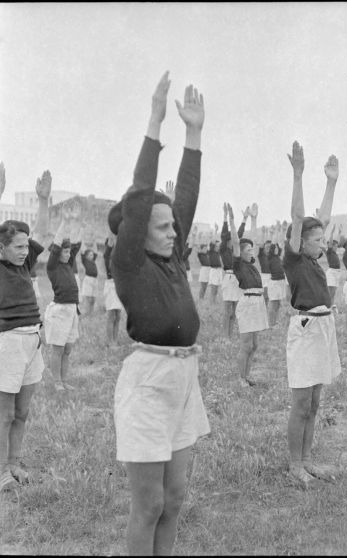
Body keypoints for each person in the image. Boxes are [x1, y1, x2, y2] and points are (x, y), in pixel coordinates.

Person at [109, 74, 210, 556]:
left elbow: (183, 196)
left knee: (174, 500)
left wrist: (194, 135)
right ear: (136, 231)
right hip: (148, 381)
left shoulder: (171, 256)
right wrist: (155, 121)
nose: (174, 232)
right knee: (148, 504)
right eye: (163, 226)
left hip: (184, 377)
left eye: (174, 227)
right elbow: (141, 190)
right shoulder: (128, 263)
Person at [283, 141, 341, 487]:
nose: (323, 243)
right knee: (301, 401)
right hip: (305, 328)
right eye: (317, 239)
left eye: (323, 238)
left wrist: (332, 183)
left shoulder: (316, 261)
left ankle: (307, 459)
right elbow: (297, 217)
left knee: (316, 401)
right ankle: (294, 463)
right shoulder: (293, 258)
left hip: (324, 327)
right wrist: (299, 175)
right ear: (301, 241)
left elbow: (326, 218)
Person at [0, 165, 50, 491]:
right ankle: (0, 472)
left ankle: (14, 464)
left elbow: (42, 235)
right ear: (0, 246)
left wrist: (43, 202)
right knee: (2, 415)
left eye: (24, 246)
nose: (23, 251)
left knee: (23, 412)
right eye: (17, 246)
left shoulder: (26, 262)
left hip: (33, 341)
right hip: (8, 343)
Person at [227, 204, 269, 386]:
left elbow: (254, 241)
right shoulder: (238, 264)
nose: (252, 252)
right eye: (248, 250)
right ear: (241, 252)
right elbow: (236, 242)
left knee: (254, 345)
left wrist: (254, 219)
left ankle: (247, 376)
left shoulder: (251, 263)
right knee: (246, 345)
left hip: (258, 303)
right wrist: (232, 221)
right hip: (248, 304)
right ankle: (241, 378)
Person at [45, 202, 82, 391]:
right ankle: (57, 382)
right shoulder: (52, 266)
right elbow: (58, 243)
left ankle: (64, 380)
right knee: (58, 349)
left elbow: (76, 242)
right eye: (65, 252)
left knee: (67, 349)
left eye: (69, 252)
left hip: (71, 310)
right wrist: (63, 222)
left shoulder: (68, 264)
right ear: (58, 252)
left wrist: (74, 221)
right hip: (59, 310)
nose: (68, 254)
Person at [220, 203, 246, 338]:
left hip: (237, 279)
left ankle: (230, 334)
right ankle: (225, 336)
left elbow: (239, 234)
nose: (233, 240)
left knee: (235, 310)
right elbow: (224, 234)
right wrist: (226, 217)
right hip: (228, 278)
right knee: (227, 310)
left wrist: (244, 220)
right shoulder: (223, 249)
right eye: (231, 239)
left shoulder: (236, 250)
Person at [103, 234, 124, 346]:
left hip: (119, 285)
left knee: (118, 315)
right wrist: (112, 235)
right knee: (111, 315)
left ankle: (115, 340)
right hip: (111, 286)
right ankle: (110, 342)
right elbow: (109, 246)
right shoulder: (107, 257)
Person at [267, 222, 287, 327]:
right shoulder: (270, 256)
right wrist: (276, 230)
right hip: (274, 282)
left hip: (281, 282)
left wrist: (283, 231)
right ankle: (270, 323)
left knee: (278, 304)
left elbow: (281, 243)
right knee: (273, 304)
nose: (275, 248)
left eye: (276, 248)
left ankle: (274, 322)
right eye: (273, 248)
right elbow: (274, 242)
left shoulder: (278, 256)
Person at [325, 224, 341, 303]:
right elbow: (331, 242)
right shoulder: (329, 251)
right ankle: (327, 306)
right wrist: (332, 232)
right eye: (335, 246)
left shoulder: (335, 253)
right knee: (330, 292)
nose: (336, 247)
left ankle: (331, 306)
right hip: (331, 272)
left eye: (337, 246)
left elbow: (337, 241)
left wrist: (339, 232)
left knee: (333, 292)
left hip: (337, 273)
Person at [80, 246, 98, 314]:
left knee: (93, 298)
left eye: (92, 255)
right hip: (88, 279)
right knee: (88, 297)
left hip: (94, 280)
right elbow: (82, 252)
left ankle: (91, 312)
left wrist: (94, 241)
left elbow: (95, 251)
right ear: (86, 256)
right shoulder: (85, 261)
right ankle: (86, 311)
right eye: (90, 255)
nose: (92, 256)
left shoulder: (93, 260)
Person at [208, 237, 223, 304]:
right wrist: (216, 230)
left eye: (218, 246)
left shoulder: (218, 252)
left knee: (216, 288)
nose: (218, 247)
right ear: (213, 246)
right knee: (213, 288)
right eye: (216, 246)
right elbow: (212, 242)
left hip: (219, 271)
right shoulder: (211, 252)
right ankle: (212, 302)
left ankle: (214, 301)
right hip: (214, 270)